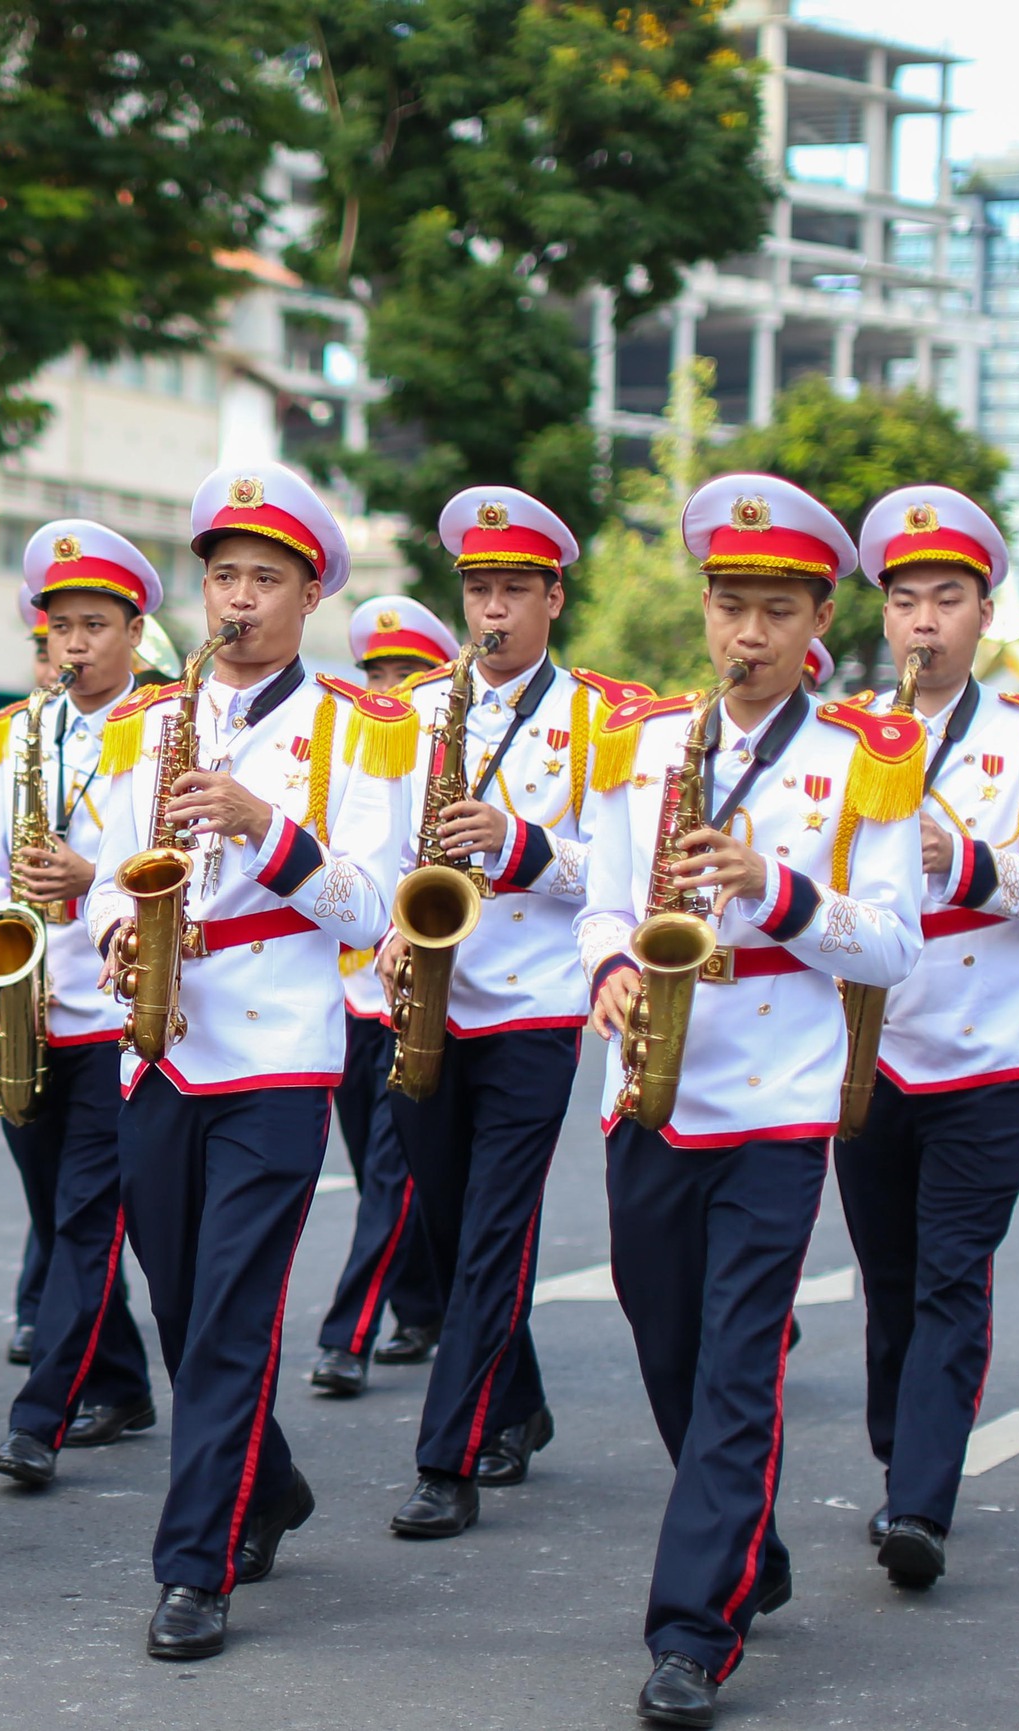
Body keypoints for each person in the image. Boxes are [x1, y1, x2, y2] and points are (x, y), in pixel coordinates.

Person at [577, 474, 923, 1726]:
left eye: (777, 611)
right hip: (650, 1085)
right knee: (666, 1345)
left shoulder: (865, 760)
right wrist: (609, 967)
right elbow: (601, 903)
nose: (749, 634)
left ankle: (691, 1632)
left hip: (777, 1095)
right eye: (730, 607)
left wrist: (774, 890)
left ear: (819, 617)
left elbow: (893, 944)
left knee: (736, 1364)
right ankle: (743, 1546)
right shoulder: (643, 744)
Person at [85, 460, 405, 1661]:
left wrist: (266, 829)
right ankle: (265, 1485)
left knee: (227, 1317)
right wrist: (114, 928)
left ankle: (194, 1569)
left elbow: (370, 909)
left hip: (276, 1053)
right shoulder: (143, 722)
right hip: (160, 1046)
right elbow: (108, 875)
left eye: (265, 579)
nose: (238, 599)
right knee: (180, 1309)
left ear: (309, 595)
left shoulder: (361, 729)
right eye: (223, 576)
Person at [379, 489, 652, 1539]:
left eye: (511, 592)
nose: (490, 611)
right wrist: (390, 922)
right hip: (426, 994)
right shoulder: (414, 711)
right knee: (449, 1228)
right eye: (478, 591)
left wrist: (520, 841)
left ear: (553, 598)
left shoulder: (604, 719)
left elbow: (622, 872)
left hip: (536, 1004)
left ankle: (444, 1459)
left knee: (495, 1231)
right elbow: (381, 847)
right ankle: (519, 1404)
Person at [832, 488, 1019, 1591]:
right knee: (889, 1278)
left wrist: (961, 859)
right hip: (870, 1048)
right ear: (884, 616)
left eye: (947, 599)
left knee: (950, 1276)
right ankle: (906, 1453)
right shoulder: (843, 732)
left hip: (986, 1056)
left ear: (985, 614)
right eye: (905, 602)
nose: (924, 622)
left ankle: (920, 1500)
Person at [0, 519, 162, 1492]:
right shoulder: (17, 733)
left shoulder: (165, 728)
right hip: (30, 1007)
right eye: (61, 629)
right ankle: (120, 1383)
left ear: (135, 632)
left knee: (88, 1218)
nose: (75, 646)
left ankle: (38, 1417)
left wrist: (96, 881)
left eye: (96, 626)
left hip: (116, 1010)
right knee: (55, 1214)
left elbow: (175, 868)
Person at [309, 593, 457, 1397]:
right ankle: (426, 1304)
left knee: (394, 1172)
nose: (390, 688)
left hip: (416, 992)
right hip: (350, 992)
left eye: (409, 673)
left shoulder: (451, 755)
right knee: (376, 1170)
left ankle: (348, 1335)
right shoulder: (349, 751)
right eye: (378, 672)